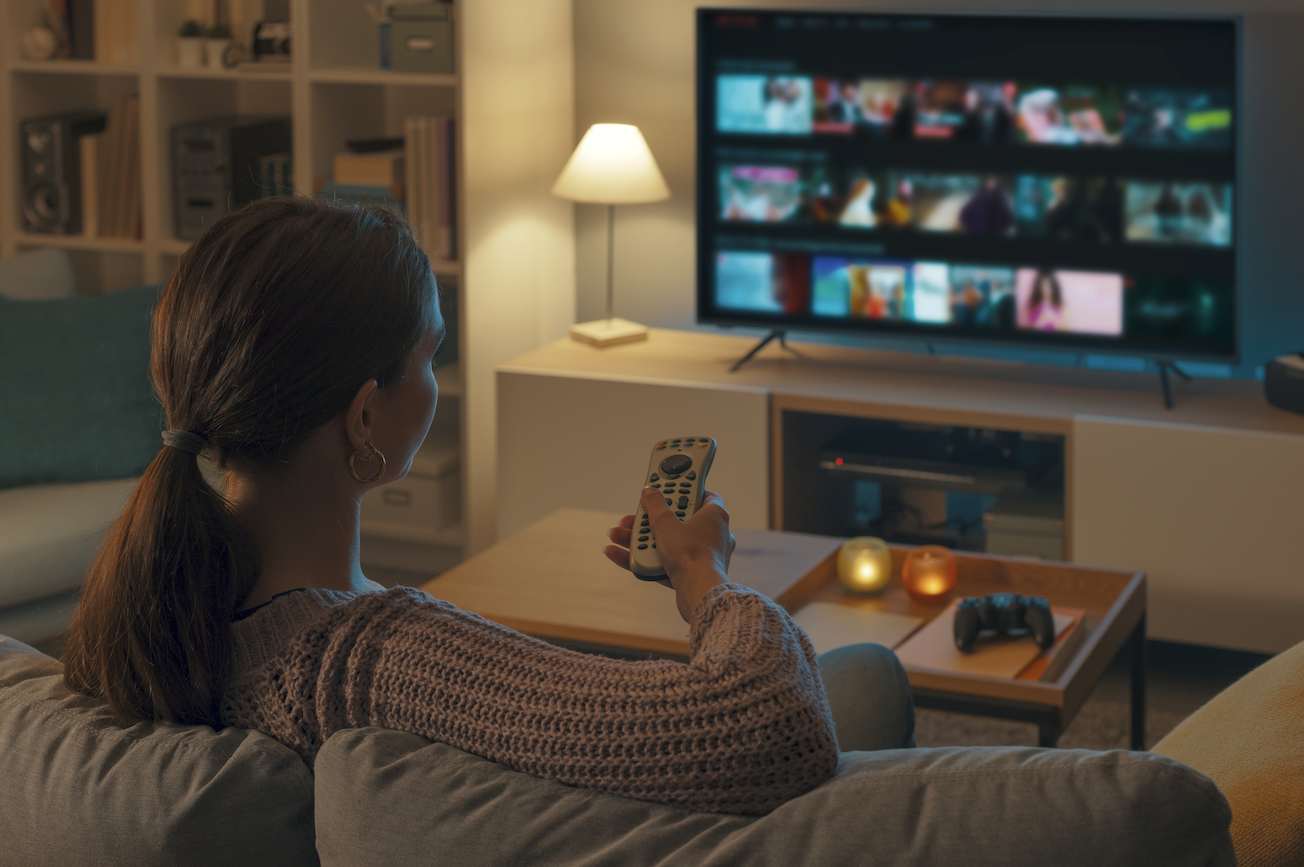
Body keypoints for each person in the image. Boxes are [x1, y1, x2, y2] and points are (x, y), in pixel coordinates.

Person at [61, 196, 915, 817]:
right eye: (430, 357)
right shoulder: (373, 660)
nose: (435, 380)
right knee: (865, 675)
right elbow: (771, 727)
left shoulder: (147, 615)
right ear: (364, 418)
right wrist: (702, 573)